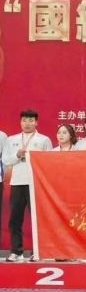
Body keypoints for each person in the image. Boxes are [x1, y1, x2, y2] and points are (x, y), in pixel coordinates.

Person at [2, 110, 53, 262]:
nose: (27, 123)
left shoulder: (44, 140)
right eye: (24, 120)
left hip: (36, 183)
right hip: (17, 182)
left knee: (37, 220)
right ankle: (16, 252)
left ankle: (37, 252)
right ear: (20, 122)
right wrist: (18, 155)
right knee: (15, 219)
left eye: (31, 120)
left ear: (36, 122)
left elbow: (49, 162)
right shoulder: (11, 140)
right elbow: (6, 160)